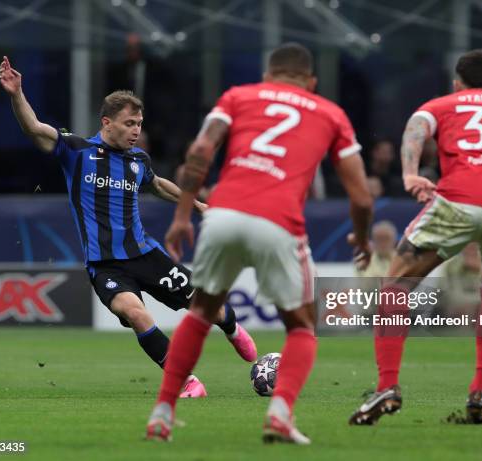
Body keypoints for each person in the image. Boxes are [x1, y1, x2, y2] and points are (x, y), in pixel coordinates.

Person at [147, 43, 373, 444]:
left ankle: (163, 412)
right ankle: (280, 415)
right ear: (312, 82)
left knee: (201, 313)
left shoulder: (237, 96)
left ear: (268, 76)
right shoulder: (329, 112)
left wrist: (183, 215)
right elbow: (361, 196)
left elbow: (200, 151)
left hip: (222, 216)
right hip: (279, 221)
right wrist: (361, 235)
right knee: (301, 326)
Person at [0, 56, 257, 398]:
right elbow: (34, 128)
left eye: (139, 123)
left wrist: (199, 207)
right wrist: (17, 93)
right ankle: (184, 380)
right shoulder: (76, 150)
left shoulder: (138, 160)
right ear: (107, 122)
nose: (137, 130)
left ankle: (231, 326)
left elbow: (160, 185)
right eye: (130, 123)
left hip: (146, 255)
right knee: (135, 313)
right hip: (105, 263)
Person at [348, 49, 482, 425]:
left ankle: (388, 385)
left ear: (457, 84)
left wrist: (409, 173)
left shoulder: (445, 103)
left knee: (396, 282)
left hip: (462, 198)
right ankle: (480, 391)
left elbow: (416, 127)